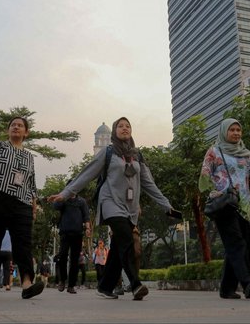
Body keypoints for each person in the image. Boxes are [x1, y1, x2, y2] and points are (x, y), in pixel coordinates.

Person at [48, 116, 179, 301]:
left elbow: (149, 184)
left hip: (130, 208)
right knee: (127, 241)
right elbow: (87, 174)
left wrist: (167, 205)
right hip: (110, 203)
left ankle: (105, 286)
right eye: (120, 126)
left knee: (118, 248)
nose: (125, 128)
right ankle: (135, 284)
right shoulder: (108, 152)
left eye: (128, 126)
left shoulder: (137, 155)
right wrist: (65, 193)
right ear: (114, 131)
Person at [0, 116, 44, 299]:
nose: (16, 127)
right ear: (8, 129)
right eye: (13, 125)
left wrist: (33, 206)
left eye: (20, 126)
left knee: (23, 243)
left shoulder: (29, 156)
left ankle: (27, 283)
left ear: (26, 132)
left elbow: (31, 182)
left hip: (21, 202)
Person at [199, 118, 250, 300]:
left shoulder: (245, 153)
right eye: (232, 130)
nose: (236, 133)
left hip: (243, 205)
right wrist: (213, 189)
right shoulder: (214, 151)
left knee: (235, 246)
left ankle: (226, 289)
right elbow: (205, 174)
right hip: (224, 203)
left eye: (238, 130)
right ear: (224, 132)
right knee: (237, 243)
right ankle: (247, 283)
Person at [53, 191, 91, 294]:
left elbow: (86, 216)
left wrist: (87, 228)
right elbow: (55, 206)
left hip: (78, 234)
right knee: (63, 256)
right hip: (65, 233)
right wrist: (61, 197)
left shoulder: (81, 201)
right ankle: (62, 281)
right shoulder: (64, 200)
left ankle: (71, 285)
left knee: (75, 260)